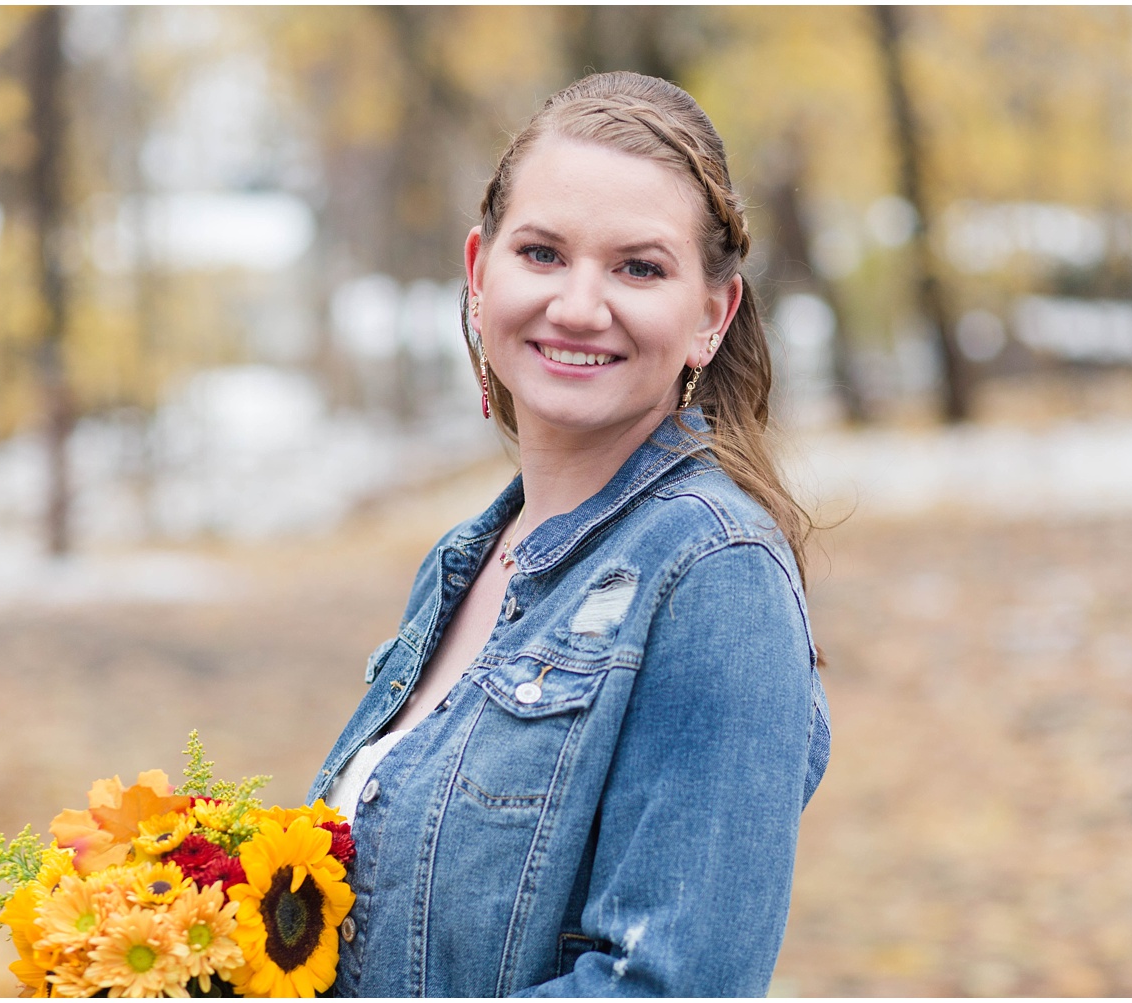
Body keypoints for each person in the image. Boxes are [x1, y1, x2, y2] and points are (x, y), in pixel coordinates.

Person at [309, 70, 829, 998]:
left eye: (639, 267)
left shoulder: (714, 571)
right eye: (543, 253)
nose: (580, 306)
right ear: (479, 274)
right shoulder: (467, 559)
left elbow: (670, 986)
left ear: (714, 314)